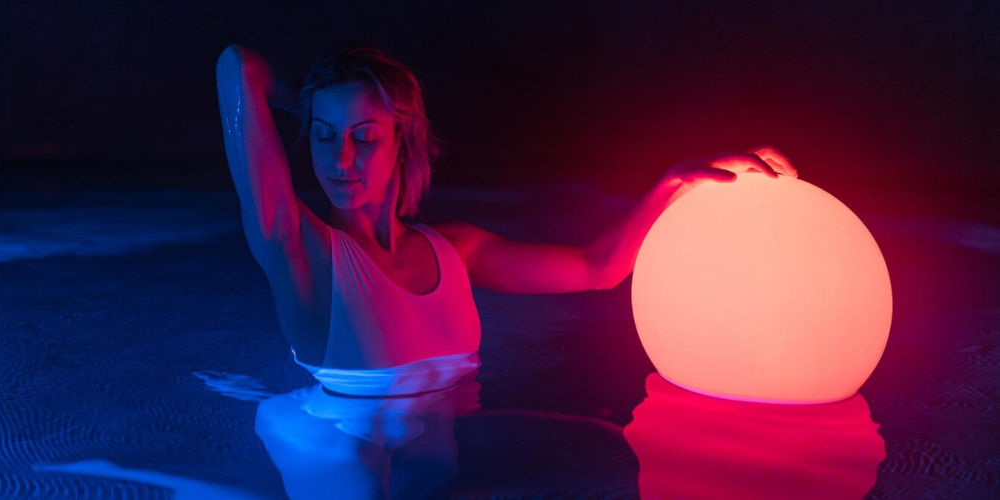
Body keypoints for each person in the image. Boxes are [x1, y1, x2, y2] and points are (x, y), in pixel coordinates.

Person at [215, 44, 799, 394]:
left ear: (404, 138)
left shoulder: (456, 251)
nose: (340, 160)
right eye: (323, 137)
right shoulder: (299, 249)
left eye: (364, 137)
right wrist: (313, 94)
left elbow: (599, 267)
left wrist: (676, 181)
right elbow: (237, 65)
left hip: (445, 467)